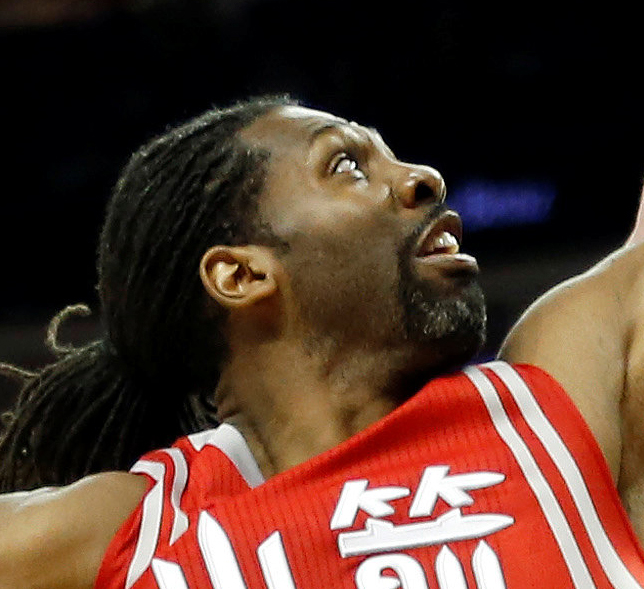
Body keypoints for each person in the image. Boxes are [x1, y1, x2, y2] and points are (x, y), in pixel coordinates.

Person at [1, 95, 644, 588]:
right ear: (242, 275)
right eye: (347, 166)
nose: (423, 178)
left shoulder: (560, 401)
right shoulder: (136, 535)